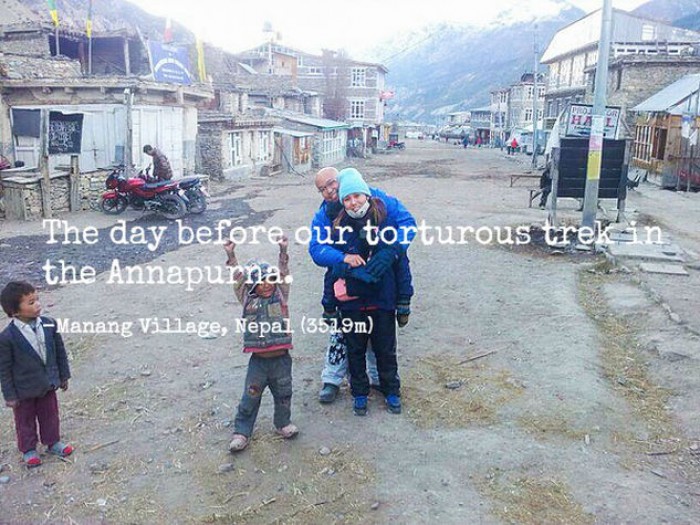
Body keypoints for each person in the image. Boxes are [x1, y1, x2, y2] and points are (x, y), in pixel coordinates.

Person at [309, 167, 415, 404]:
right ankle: (332, 379)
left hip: (379, 291)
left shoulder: (378, 199)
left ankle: (380, 381)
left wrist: (393, 249)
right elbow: (316, 249)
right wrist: (342, 259)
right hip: (346, 285)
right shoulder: (325, 215)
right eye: (322, 189)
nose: (329, 191)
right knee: (342, 336)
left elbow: (408, 224)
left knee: (380, 340)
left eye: (331, 183)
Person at [224, 236, 298, 452]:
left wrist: (283, 252)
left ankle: (283, 424)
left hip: (282, 359)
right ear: (252, 285)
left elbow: (284, 274)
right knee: (251, 395)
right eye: (261, 281)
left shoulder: (281, 294)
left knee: (284, 394)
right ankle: (242, 431)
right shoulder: (247, 298)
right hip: (259, 362)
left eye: (270, 279)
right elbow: (237, 278)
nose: (266, 284)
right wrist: (231, 256)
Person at [0, 281, 73, 468]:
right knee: (24, 420)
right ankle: (29, 449)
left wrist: (63, 376)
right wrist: (9, 395)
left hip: (47, 384)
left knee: (50, 414)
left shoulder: (49, 325)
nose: (37, 305)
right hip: (23, 391)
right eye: (31, 303)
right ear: (14, 311)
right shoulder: (7, 337)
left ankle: (53, 442)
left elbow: (59, 352)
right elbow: (5, 369)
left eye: (37, 300)